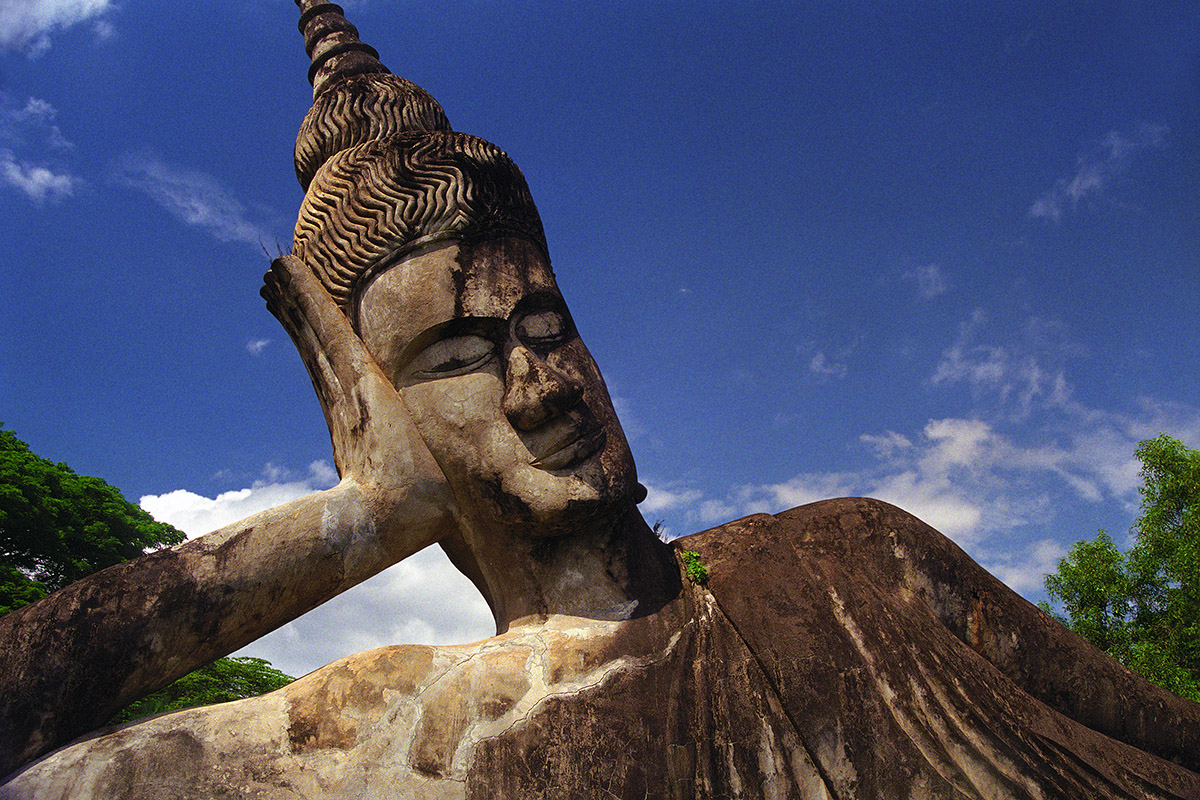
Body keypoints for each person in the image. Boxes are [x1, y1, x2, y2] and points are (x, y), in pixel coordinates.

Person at [3, 3, 1199, 796]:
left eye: (547, 323)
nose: (541, 382)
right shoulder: (403, 731)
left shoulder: (845, 556)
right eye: (463, 354)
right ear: (371, 400)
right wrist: (363, 512)